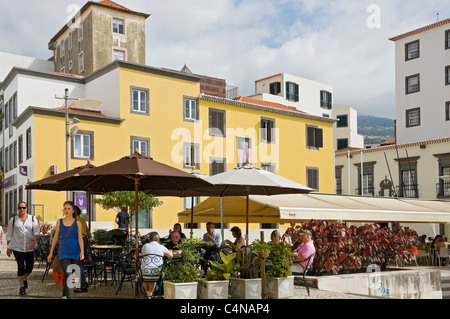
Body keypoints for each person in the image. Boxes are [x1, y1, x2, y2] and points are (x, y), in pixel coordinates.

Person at [48, 201, 84, 299]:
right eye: (65, 208)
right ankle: (69, 297)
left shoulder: (78, 223)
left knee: (73, 275)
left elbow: (80, 238)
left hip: (75, 252)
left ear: (73, 211)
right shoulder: (59, 222)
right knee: (68, 272)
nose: (66, 210)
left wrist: (82, 252)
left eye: (69, 209)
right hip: (64, 252)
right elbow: (55, 238)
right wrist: (51, 252)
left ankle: (64, 294)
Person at [6, 202, 40, 295]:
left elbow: (37, 231)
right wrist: (8, 247)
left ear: (27, 208)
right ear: (18, 209)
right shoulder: (13, 220)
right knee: (20, 267)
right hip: (17, 247)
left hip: (29, 247)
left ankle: (24, 278)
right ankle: (21, 287)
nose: (22, 209)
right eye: (20, 208)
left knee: (30, 266)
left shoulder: (32, 219)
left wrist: (34, 241)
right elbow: (9, 234)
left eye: (24, 208)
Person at [74, 206, 91, 293]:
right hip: (84, 240)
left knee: (77, 264)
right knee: (79, 263)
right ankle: (83, 282)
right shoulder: (82, 220)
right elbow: (89, 234)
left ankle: (82, 286)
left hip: (78, 241)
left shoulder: (73, 221)